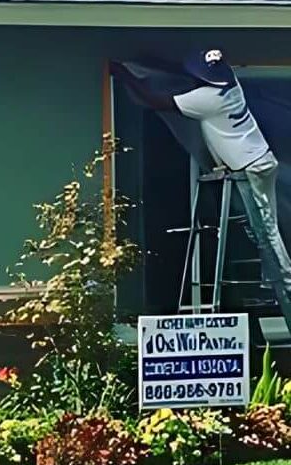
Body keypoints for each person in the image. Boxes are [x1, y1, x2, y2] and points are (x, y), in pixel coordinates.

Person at [112, 48, 291, 332]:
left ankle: (284, 287)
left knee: (267, 237)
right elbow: (185, 68)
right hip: (258, 161)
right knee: (258, 231)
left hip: (250, 169)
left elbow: (153, 100)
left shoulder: (208, 99)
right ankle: (271, 277)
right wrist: (147, 61)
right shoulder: (229, 80)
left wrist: (124, 76)